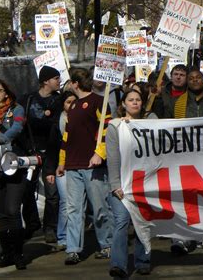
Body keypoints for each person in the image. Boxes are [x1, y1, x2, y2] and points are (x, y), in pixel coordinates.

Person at [57, 68, 113, 265]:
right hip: (72, 166)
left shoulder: (99, 102)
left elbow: (107, 129)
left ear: (75, 84)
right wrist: (62, 161)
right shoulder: (72, 107)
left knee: (99, 207)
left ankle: (107, 244)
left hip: (93, 165)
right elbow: (66, 136)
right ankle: (73, 249)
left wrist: (100, 153)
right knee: (73, 209)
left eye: (70, 82)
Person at [170, 69, 203, 253]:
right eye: (191, 78)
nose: (194, 81)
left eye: (198, 78)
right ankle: (184, 236)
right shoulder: (179, 104)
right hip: (187, 156)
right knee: (186, 197)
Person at [107, 89, 152, 277]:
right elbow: (113, 157)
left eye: (138, 100)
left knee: (142, 221)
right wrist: (115, 184)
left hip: (143, 182)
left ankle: (142, 261)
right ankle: (118, 264)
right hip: (122, 185)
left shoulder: (150, 124)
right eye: (130, 100)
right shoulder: (115, 126)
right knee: (122, 221)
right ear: (123, 104)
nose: (135, 103)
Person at [19, 66, 62, 243]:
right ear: (46, 81)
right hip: (31, 152)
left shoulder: (59, 100)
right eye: (56, 78)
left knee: (52, 194)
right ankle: (32, 223)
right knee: (27, 190)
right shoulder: (27, 100)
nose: (59, 81)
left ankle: (50, 228)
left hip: (51, 153)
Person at [0, 79, 27, 269]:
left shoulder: (16, 109)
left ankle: (19, 253)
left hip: (12, 165)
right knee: (0, 212)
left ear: (6, 93)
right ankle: (7, 253)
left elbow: (17, 128)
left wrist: (0, 139)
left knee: (13, 210)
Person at [45, 91, 78, 252]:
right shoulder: (56, 123)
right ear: (62, 105)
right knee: (66, 202)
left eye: (74, 102)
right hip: (61, 167)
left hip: (80, 165)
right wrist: (49, 171)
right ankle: (63, 237)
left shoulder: (83, 119)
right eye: (68, 102)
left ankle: (76, 238)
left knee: (78, 204)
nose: (71, 105)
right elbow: (51, 148)